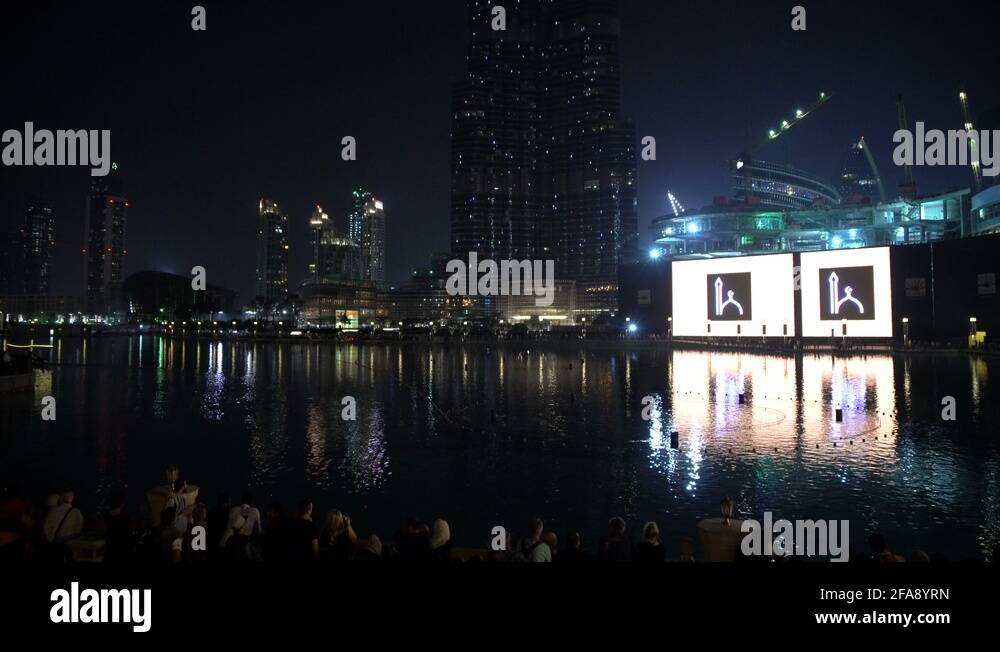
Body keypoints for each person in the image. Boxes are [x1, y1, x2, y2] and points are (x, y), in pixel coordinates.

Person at [103, 490, 134, 562]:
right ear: (122, 503)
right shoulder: (126, 518)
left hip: (110, 552)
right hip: (123, 553)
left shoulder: (106, 516)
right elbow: (129, 536)